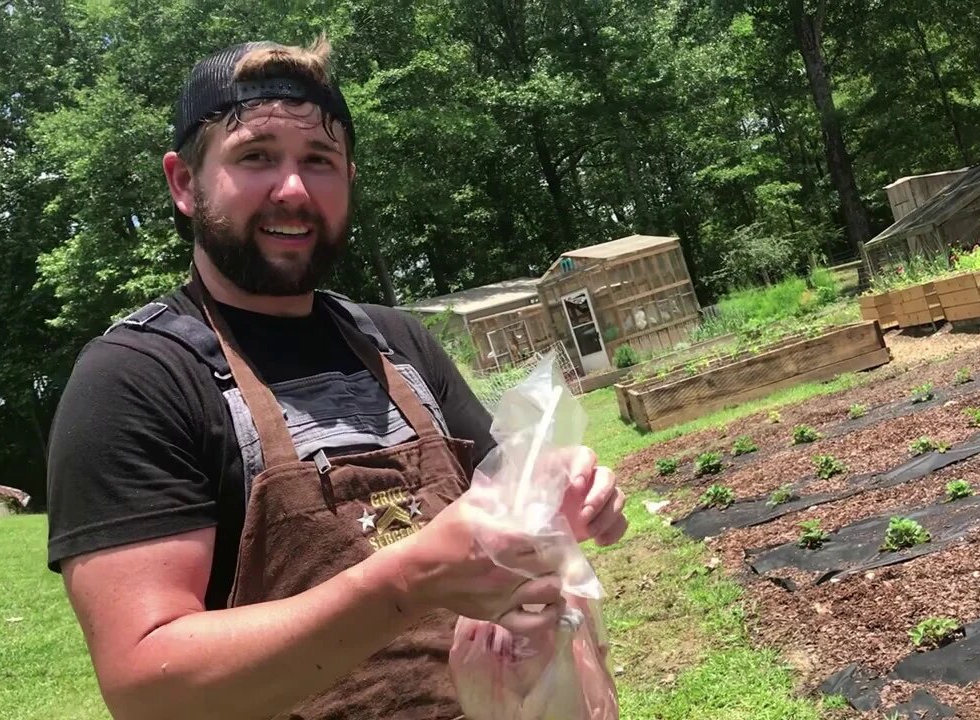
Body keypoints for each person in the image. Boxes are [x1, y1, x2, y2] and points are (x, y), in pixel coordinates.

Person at [45, 35, 627, 720]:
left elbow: (506, 510)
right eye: (255, 156)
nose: (292, 189)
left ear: (348, 177)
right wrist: (408, 580)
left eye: (318, 161)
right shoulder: (137, 380)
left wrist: (558, 494)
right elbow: (147, 686)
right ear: (183, 182)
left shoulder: (397, 342)